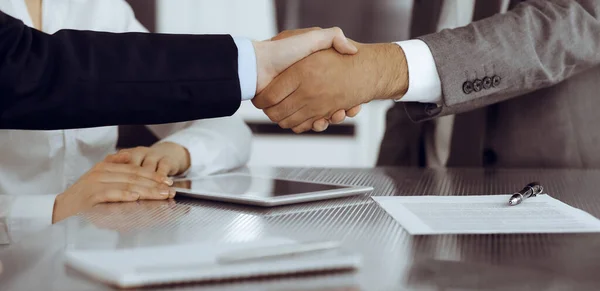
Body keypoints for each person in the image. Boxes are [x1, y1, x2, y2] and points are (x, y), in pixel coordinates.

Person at [258, 0, 600, 170]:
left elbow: (578, 22)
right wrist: (384, 184)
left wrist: (378, 70)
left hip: (550, 206)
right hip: (428, 196)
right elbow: (423, 52)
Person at [0, 0, 256, 226]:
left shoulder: (105, 9)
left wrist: (173, 153)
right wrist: (53, 208)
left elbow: (229, 128)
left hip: (101, 254)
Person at [0, 6, 358, 129]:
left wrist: (257, 62)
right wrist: (54, 206)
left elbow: (45, 67)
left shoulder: (106, 9)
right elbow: (27, 68)